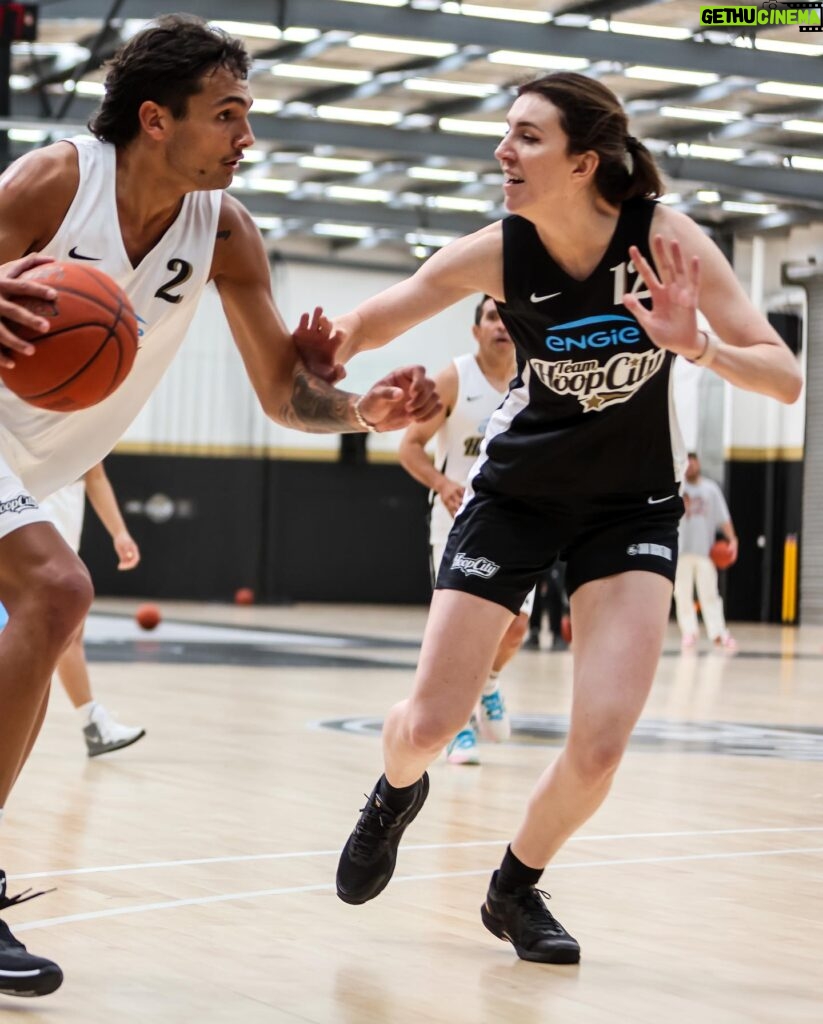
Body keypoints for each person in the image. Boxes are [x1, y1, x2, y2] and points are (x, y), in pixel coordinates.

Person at [295, 72, 801, 964]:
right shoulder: (503, 249)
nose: (503, 151)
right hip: (514, 498)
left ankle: (513, 888)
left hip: (629, 508)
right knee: (426, 726)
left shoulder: (666, 241)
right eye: (506, 133)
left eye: (526, 136)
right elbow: (379, 314)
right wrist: (315, 348)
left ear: (584, 162)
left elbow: (783, 374)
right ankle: (392, 793)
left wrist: (698, 347)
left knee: (600, 745)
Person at [0, 15, 437, 999]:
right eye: (228, 115)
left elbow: (287, 395)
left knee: (53, 604)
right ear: (155, 119)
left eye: (249, 115)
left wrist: (362, 408)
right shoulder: (52, 183)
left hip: (44, 466)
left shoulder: (224, 232)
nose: (248, 137)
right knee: (58, 589)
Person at [399, 295, 531, 765]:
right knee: (454, 633)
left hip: (519, 520)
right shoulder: (454, 378)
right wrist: (443, 483)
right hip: (459, 521)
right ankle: (457, 728)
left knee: (515, 628)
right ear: (475, 330)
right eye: (490, 317)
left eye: (505, 317)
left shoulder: (536, 377)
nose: (500, 325)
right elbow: (410, 446)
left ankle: (488, 686)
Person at [41, 463, 146, 755]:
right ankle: (94, 724)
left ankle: (94, 725)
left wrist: (120, 533)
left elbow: (95, 476)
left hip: (62, 537)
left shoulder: (89, 422)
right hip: (29, 532)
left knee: (70, 635)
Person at [674, 452, 739, 651]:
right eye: (688, 464)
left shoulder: (710, 489)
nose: (691, 467)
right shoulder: (678, 488)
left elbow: (723, 518)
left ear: (699, 464)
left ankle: (718, 633)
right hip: (681, 551)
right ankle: (689, 633)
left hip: (705, 552)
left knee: (710, 594)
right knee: (682, 595)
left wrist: (732, 539)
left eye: (693, 463)